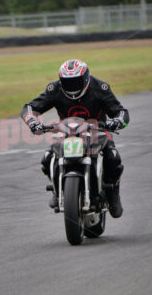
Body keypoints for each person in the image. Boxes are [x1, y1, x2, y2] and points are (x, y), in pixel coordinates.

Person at [21, 59, 129, 218]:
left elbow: (121, 112)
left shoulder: (100, 88)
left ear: (86, 78)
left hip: (97, 130)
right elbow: (30, 108)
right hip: (67, 132)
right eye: (67, 82)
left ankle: (113, 192)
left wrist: (117, 121)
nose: (72, 86)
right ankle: (58, 190)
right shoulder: (54, 89)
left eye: (76, 82)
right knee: (46, 159)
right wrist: (33, 122)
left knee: (113, 158)